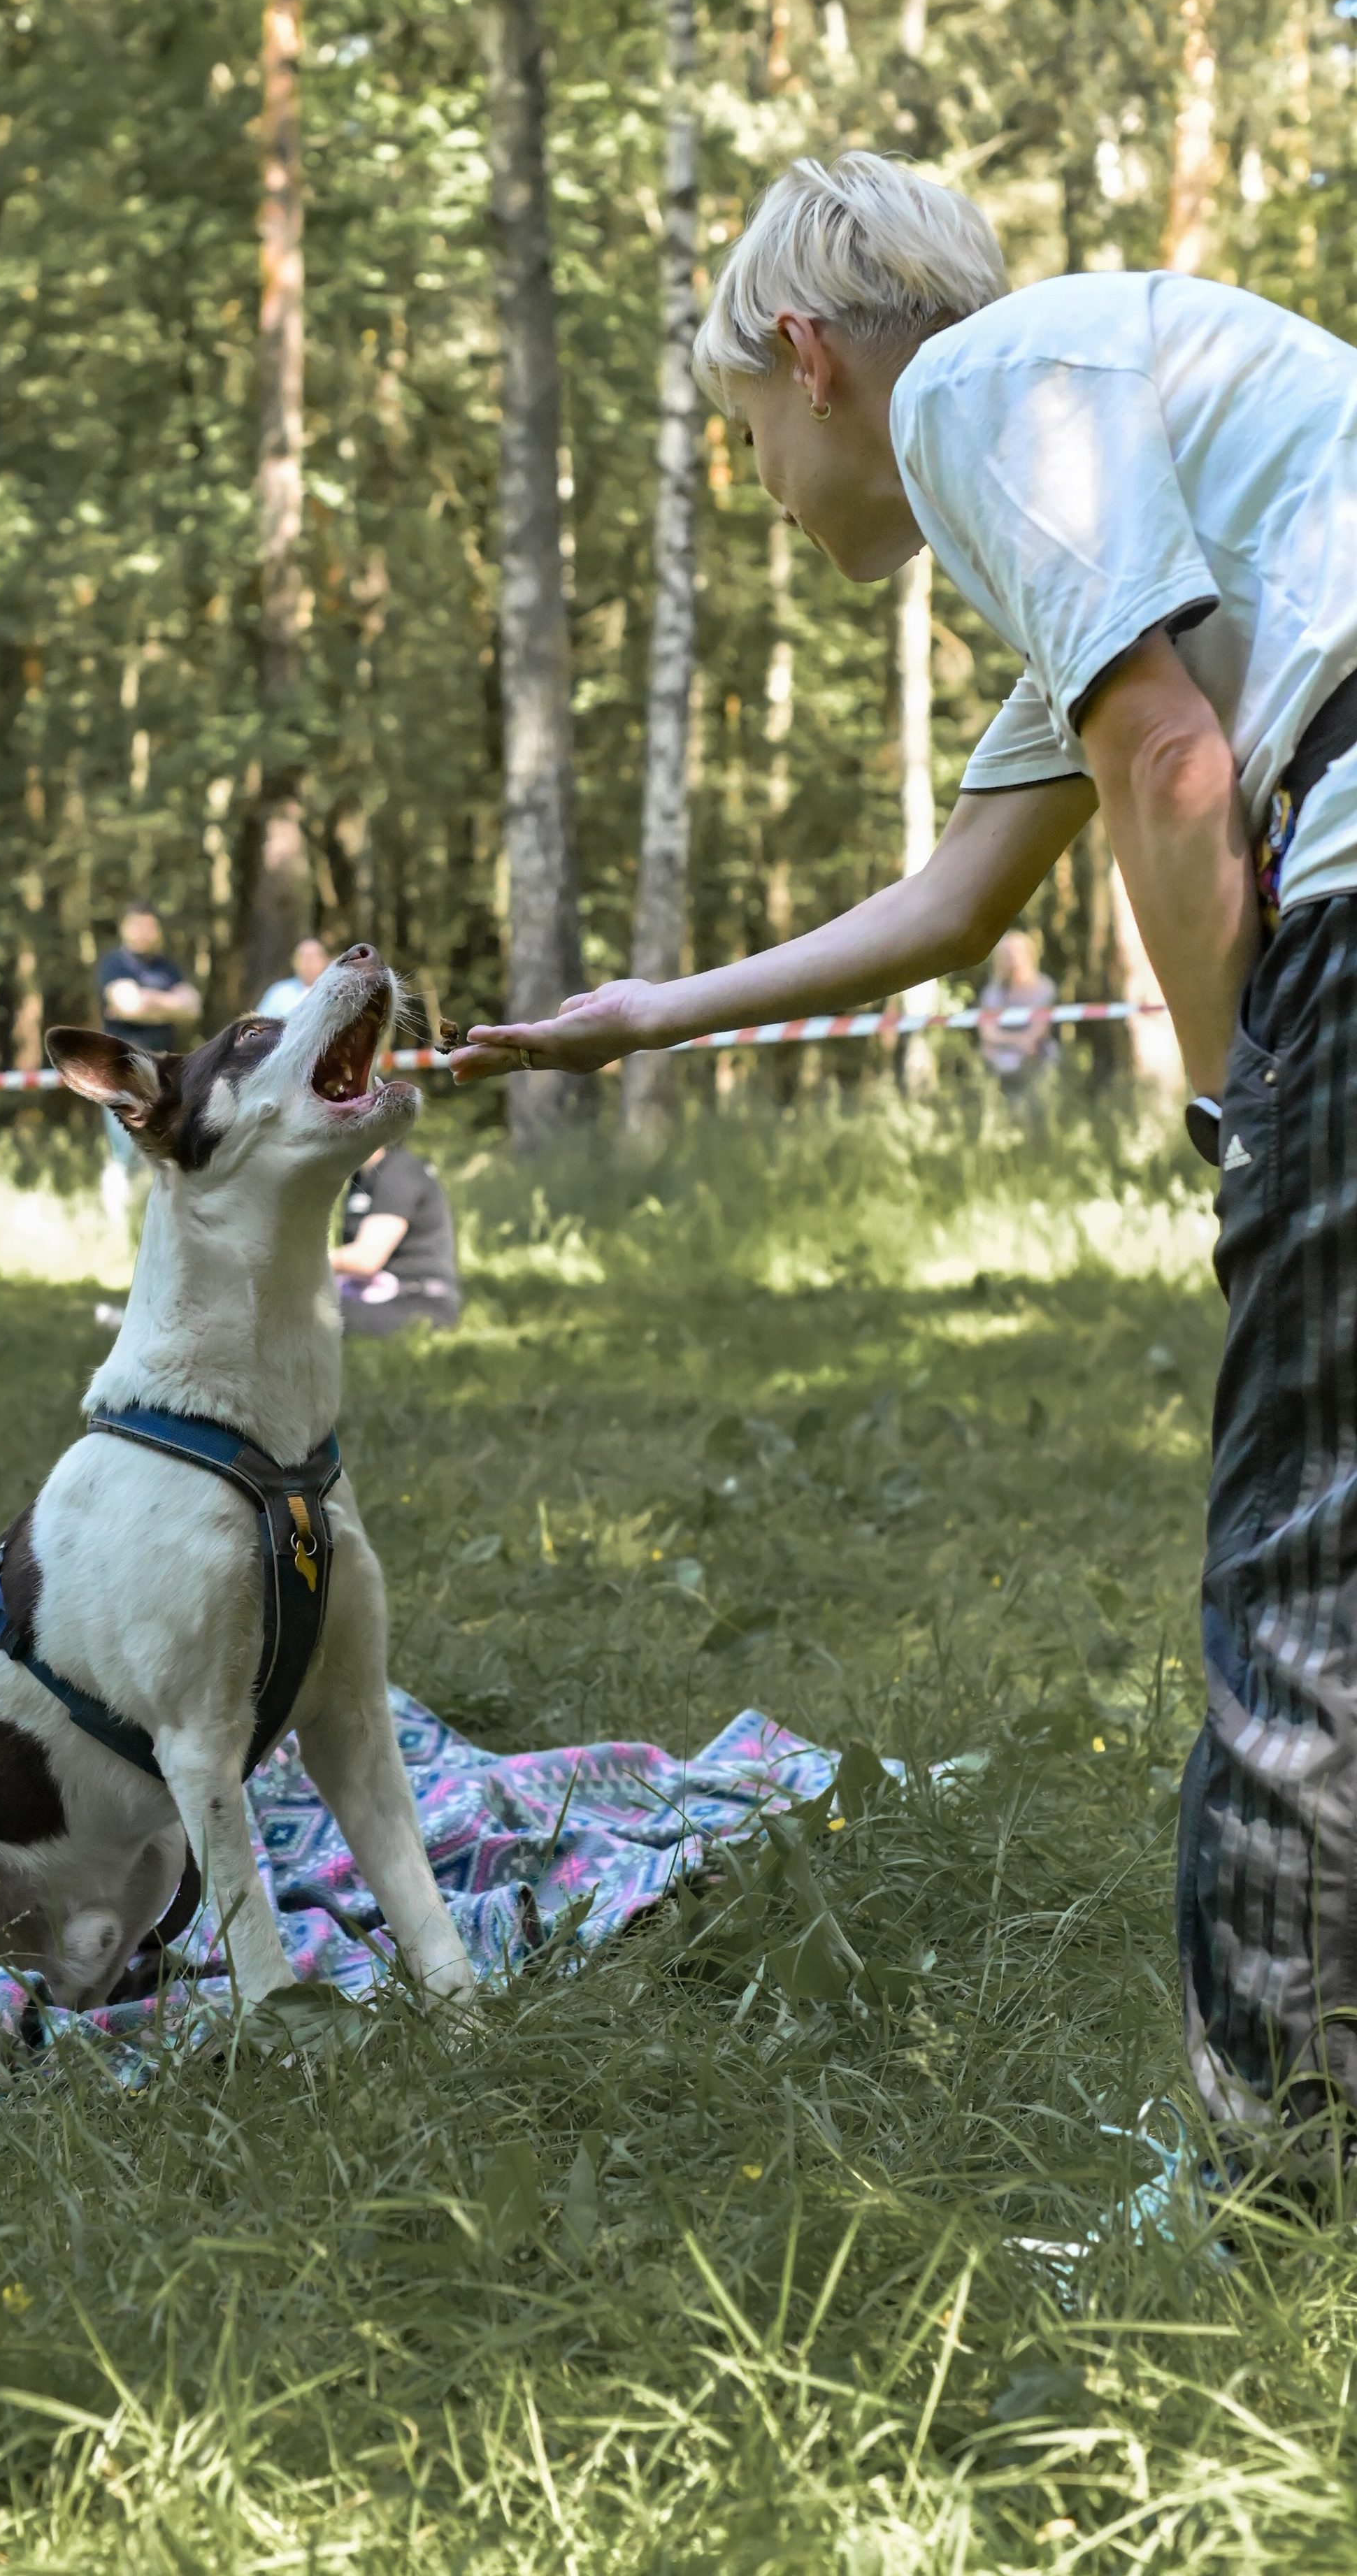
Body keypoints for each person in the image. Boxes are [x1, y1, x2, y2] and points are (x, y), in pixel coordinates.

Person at [454, 150, 1357, 2163]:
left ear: (810, 360)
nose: (760, 481)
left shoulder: (983, 397)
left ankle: (1280, 2184)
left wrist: (1238, 1115)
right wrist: (641, 1017)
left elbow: (1176, 767)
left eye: (742, 435)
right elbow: (960, 903)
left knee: (1302, 1570)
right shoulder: (1093, 442)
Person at [93, 903, 201, 1214]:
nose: (143, 932)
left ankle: (153, 1215)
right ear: (125, 928)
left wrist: (147, 1002)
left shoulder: (168, 967)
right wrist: (167, 1004)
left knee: (165, 1144)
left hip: (163, 1069)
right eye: (137, 925)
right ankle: (119, 1221)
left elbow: (192, 1008)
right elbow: (128, 1006)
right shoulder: (115, 964)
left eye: (149, 925)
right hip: (120, 1069)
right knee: (126, 1146)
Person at [329, 1141, 461, 1337]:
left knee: (306, 1313)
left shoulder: (399, 1171)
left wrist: (293, 1264)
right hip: (376, 1294)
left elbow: (365, 1259)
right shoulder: (362, 1176)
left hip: (418, 1301)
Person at [976, 929, 1058, 1099]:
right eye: (1006, 953)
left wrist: (1019, 1043)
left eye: (1016, 951)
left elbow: (1039, 1031)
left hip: (1037, 1056)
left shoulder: (1044, 989)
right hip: (1000, 1057)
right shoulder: (991, 994)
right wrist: (1019, 1043)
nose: (1011, 957)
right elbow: (988, 1033)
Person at [257, 936, 331, 1021]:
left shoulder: (334, 993)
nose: (308, 962)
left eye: (314, 956)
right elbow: (261, 1026)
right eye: (303, 956)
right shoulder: (279, 993)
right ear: (294, 962)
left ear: (326, 961)